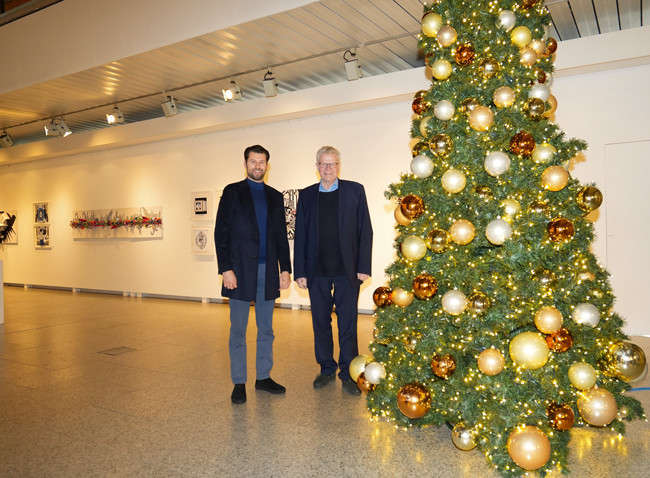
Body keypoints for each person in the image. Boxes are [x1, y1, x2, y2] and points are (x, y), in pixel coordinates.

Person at [215, 145, 292, 404]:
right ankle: (239, 382)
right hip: (239, 271)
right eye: (253, 161)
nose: (257, 166)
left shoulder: (275, 196)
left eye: (262, 162)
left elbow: (281, 235)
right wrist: (226, 268)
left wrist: (286, 268)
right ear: (245, 163)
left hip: (268, 270)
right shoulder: (232, 192)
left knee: (266, 329)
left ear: (267, 165)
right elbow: (221, 233)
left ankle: (263, 378)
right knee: (238, 329)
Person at [294, 146, 373, 396]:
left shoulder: (354, 191)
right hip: (316, 271)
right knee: (320, 322)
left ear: (339, 166)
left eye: (333, 164)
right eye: (324, 164)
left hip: (347, 271)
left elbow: (365, 231)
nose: (328, 169)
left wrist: (363, 267)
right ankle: (326, 368)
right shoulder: (306, 195)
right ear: (317, 166)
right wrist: (300, 271)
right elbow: (301, 236)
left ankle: (348, 372)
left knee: (348, 323)